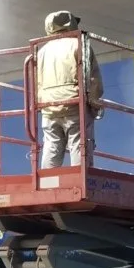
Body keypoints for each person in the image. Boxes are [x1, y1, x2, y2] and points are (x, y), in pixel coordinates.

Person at [35, 10, 103, 168]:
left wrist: (40, 103)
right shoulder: (79, 44)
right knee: (79, 145)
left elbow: (36, 81)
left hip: (48, 106)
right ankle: (81, 183)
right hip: (74, 104)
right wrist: (94, 102)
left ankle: (48, 184)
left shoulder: (42, 51)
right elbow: (92, 78)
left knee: (51, 146)